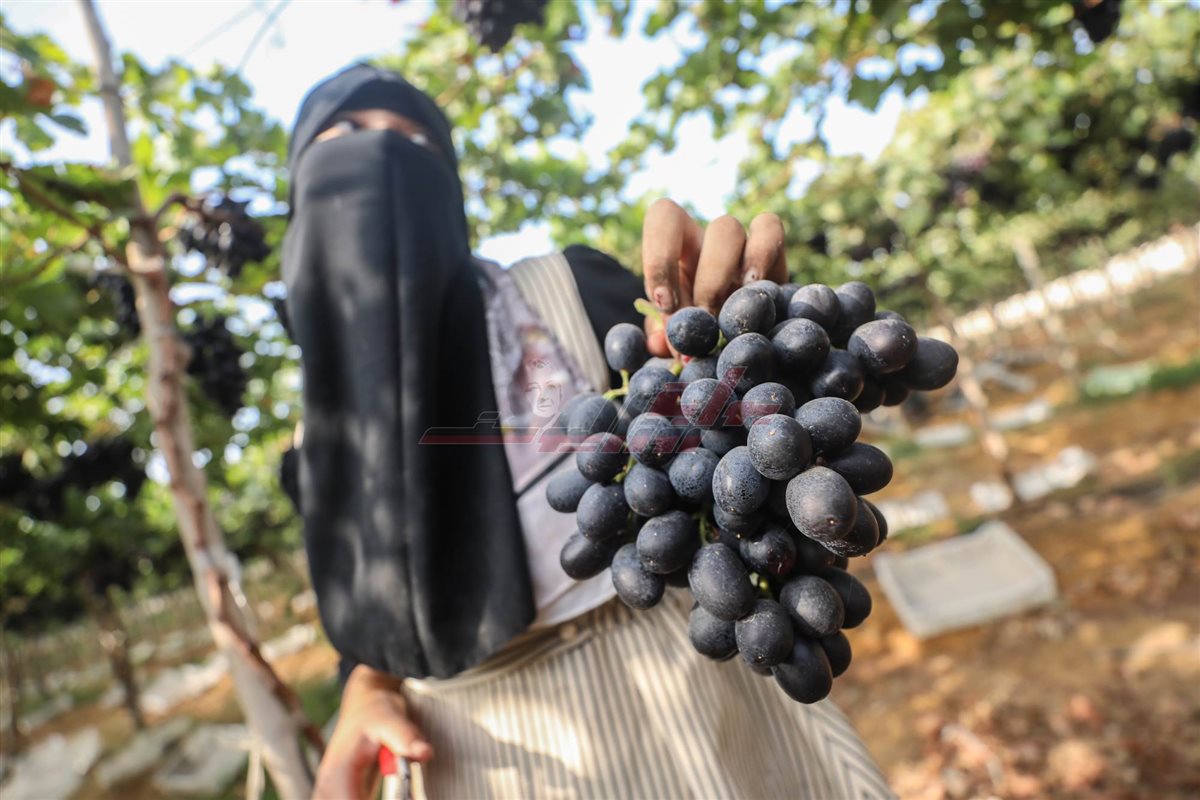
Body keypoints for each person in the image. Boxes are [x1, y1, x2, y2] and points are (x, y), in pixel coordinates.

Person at [284, 64, 893, 800]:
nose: (385, 153)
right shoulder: (315, 440)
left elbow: (721, 435)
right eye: (347, 132)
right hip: (485, 756)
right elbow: (378, 591)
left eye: (416, 140)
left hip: (703, 699)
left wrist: (728, 332)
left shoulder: (566, 290)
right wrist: (367, 684)